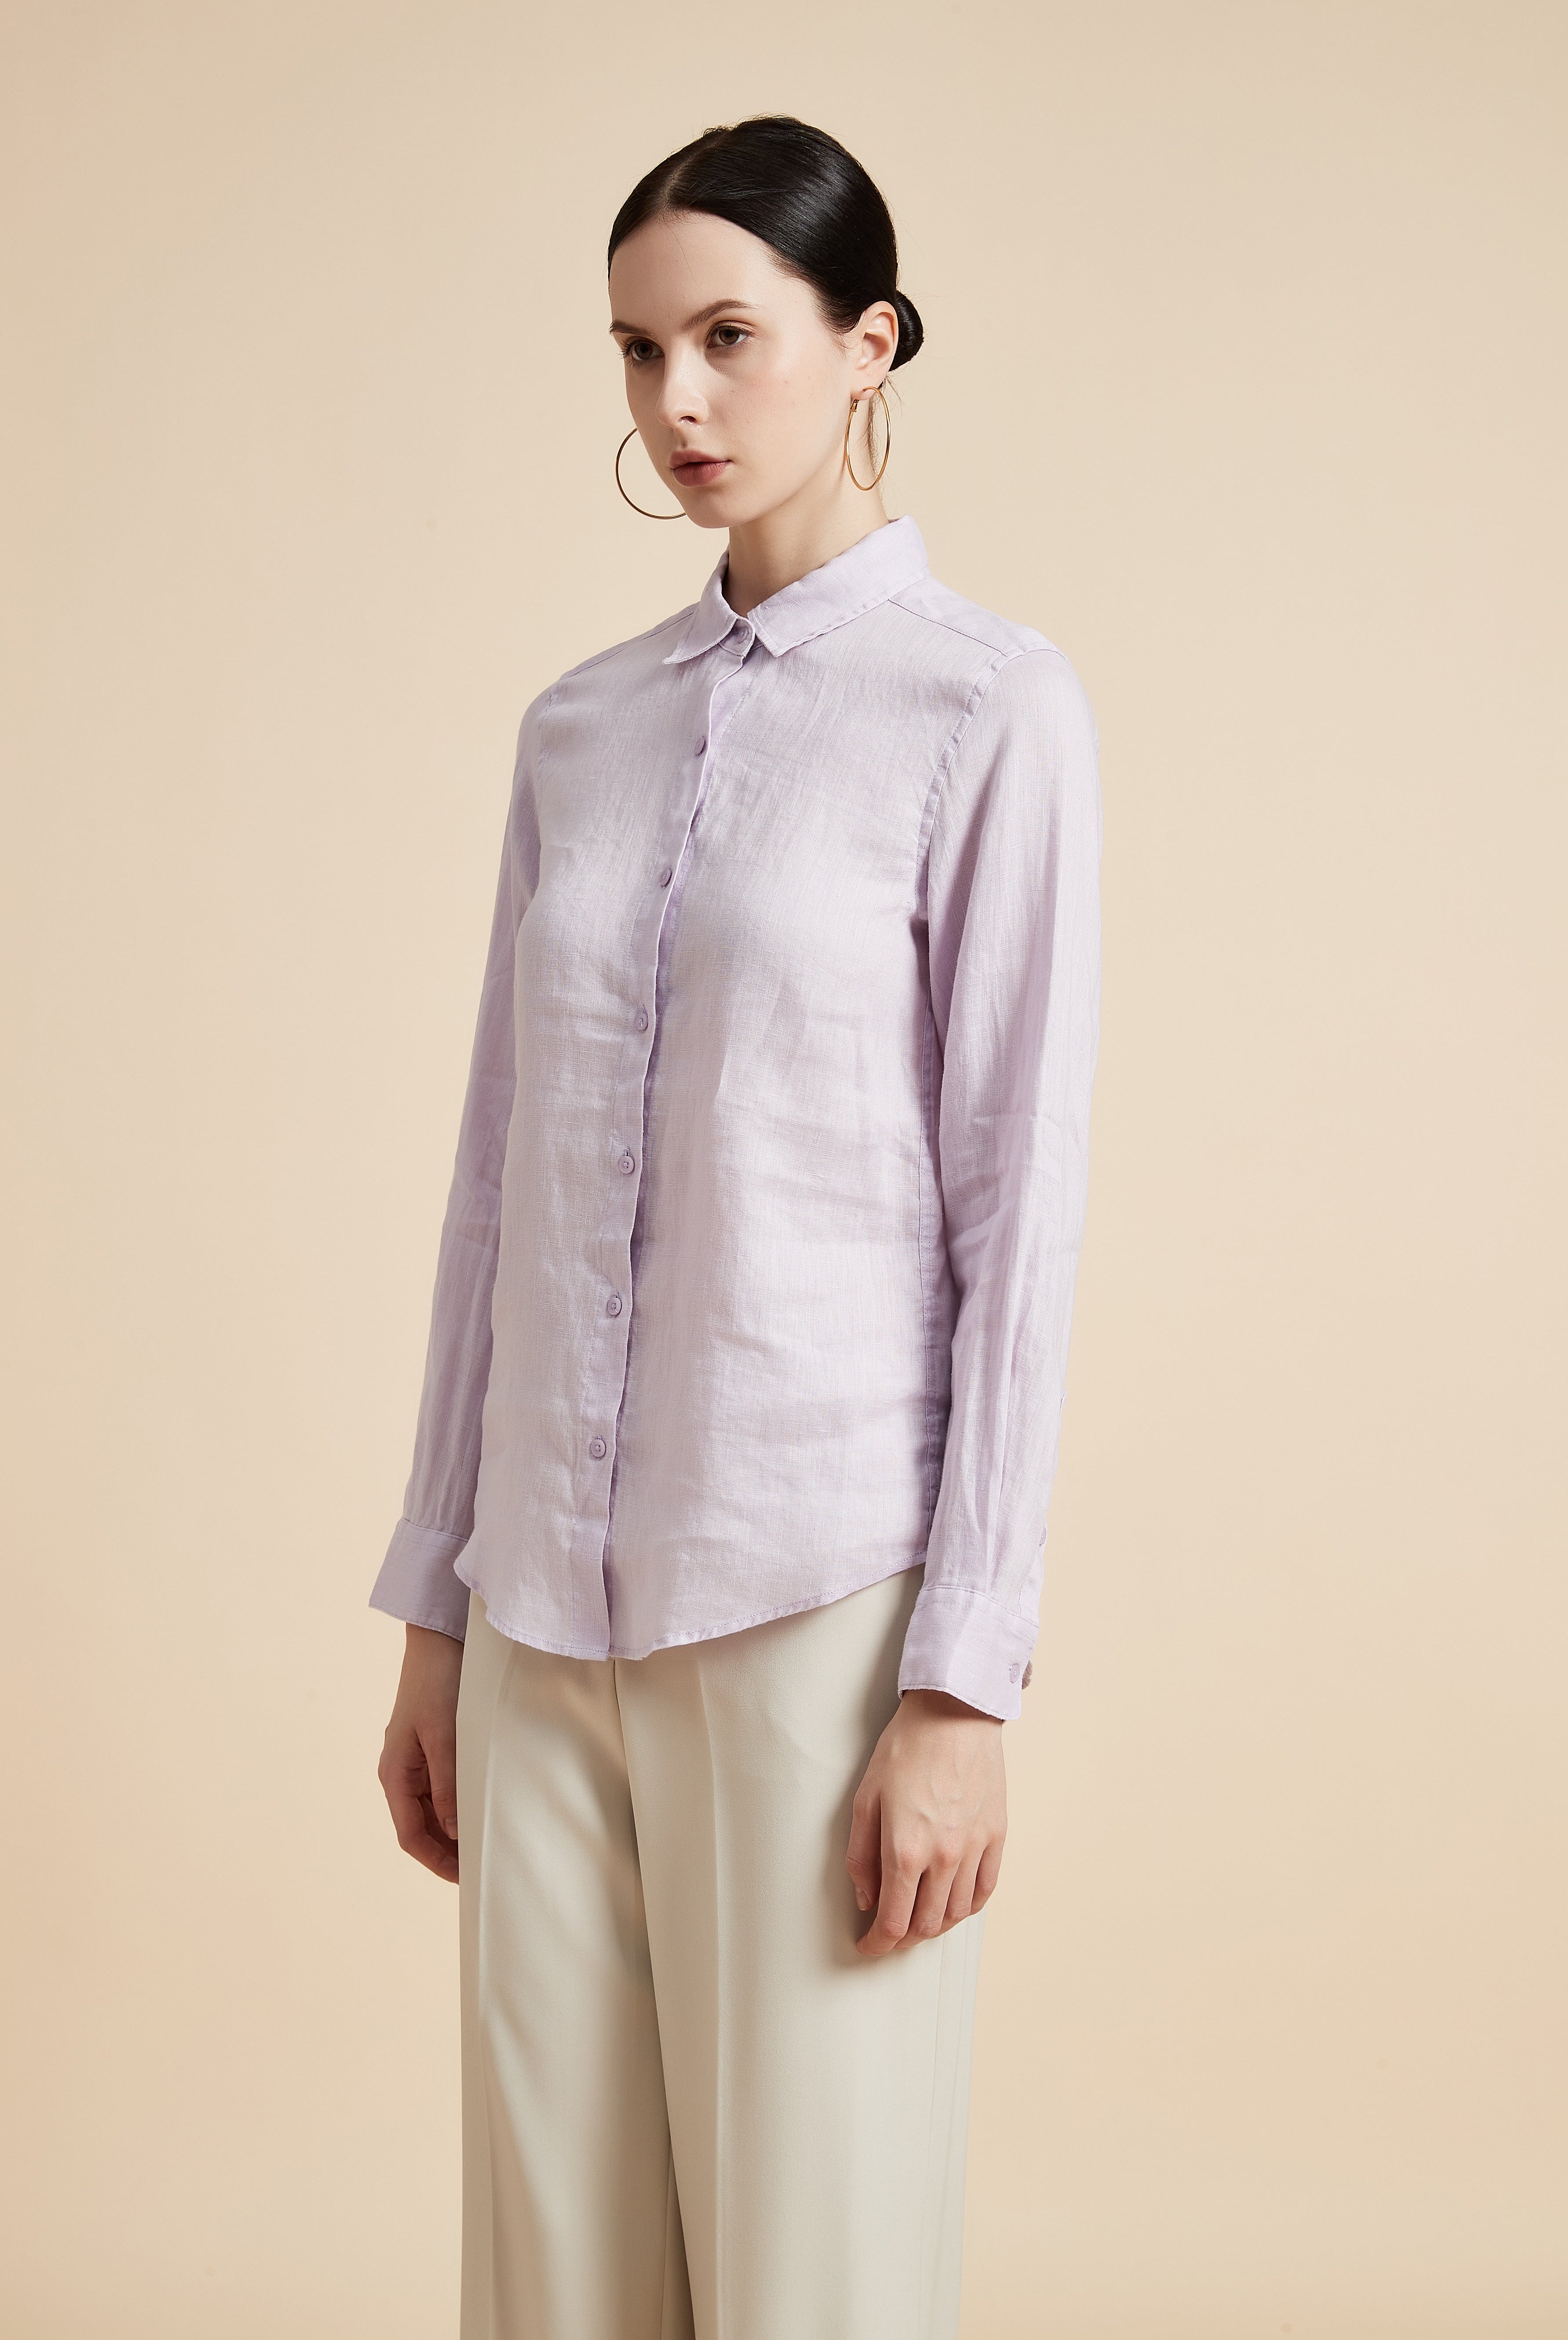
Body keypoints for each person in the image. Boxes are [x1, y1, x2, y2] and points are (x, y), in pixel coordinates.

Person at [372, 113, 1102, 2340]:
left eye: (728, 338)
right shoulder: (578, 731)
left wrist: (962, 1681)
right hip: (540, 1612)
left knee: (815, 2281)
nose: (676, 400)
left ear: (866, 346)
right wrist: (434, 1609)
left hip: (814, 1606)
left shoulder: (987, 708)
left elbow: (1017, 1215)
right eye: (636, 350)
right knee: (554, 2282)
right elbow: (495, 1184)